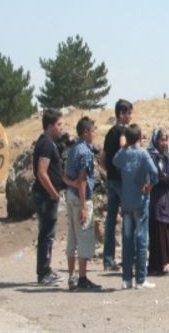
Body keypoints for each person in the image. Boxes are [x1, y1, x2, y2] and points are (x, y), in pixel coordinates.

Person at [113, 124, 159, 290]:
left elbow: (114, 160)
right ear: (140, 138)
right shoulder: (142, 153)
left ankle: (126, 279)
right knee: (141, 239)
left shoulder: (123, 154)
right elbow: (155, 173)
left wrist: (125, 146)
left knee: (127, 240)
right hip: (140, 200)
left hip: (126, 201)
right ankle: (140, 279)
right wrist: (149, 185)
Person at [63, 116, 102, 291]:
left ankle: (71, 277)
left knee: (72, 238)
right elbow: (83, 179)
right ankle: (82, 278)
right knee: (84, 237)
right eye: (93, 130)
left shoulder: (73, 149)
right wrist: (85, 206)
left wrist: (72, 185)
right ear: (86, 132)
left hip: (70, 196)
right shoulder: (85, 152)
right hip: (80, 198)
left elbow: (66, 176)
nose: (94, 133)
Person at [31, 109, 65, 286]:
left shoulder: (50, 143)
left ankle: (46, 270)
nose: (61, 128)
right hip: (45, 196)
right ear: (50, 125)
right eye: (59, 125)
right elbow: (42, 173)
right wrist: (53, 193)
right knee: (46, 234)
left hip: (47, 195)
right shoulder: (45, 144)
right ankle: (43, 274)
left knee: (48, 234)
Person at [101, 99, 133, 271]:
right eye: (128, 113)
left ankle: (108, 259)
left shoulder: (109, 132)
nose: (130, 116)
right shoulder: (122, 131)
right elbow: (123, 147)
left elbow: (102, 158)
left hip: (111, 179)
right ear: (121, 114)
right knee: (128, 216)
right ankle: (128, 257)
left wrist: (109, 171)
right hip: (121, 180)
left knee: (110, 220)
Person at [147, 128, 169, 276]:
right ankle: (159, 263)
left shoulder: (165, 156)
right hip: (157, 197)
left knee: (166, 228)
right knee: (158, 228)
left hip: (167, 196)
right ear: (155, 141)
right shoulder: (152, 157)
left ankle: (165, 261)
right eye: (161, 140)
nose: (164, 143)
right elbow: (155, 177)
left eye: (166, 140)